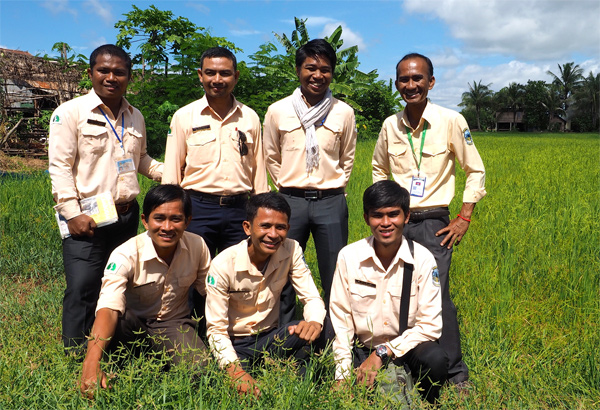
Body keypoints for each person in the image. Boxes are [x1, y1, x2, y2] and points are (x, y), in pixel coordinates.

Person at [372, 53, 486, 386]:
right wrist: (386, 209)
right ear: (397, 85)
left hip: (435, 222)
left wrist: (465, 216)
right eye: (404, 80)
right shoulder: (390, 126)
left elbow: (474, 169)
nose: (411, 85)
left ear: (431, 82)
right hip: (398, 223)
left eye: (418, 78)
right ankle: (408, 361)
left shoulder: (451, 120)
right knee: (399, 293)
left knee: (437, 295)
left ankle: (454, 374)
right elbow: (380, 168)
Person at [48, 44, 163, 353]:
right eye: (104, 70)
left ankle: (109, 344)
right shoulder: (70, 113)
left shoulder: (134, 115)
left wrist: (172, 173)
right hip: (86, 216)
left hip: (126, 215)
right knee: (83, 285)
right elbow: (59, 167)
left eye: (119, 72)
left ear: (129, 77)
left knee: (116, 282)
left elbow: (141, 160)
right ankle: (76, 352)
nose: (111, 77)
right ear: (91, 73)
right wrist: (71, 213)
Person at [79, 184, 211, 398]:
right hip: (130, 324)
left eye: (176, 219)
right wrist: (91, 363)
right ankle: (101, 360)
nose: (167, 227)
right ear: (144, 220)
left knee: (200, 370)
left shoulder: (198, 246)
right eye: (159, 218)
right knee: (113, 326)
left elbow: (213, 294)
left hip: (173, 323)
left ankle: (159, 358)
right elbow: (109, 307)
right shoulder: (126, 253)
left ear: (188, 221)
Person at [263, 39, 357, 324]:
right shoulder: (277, 111)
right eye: (311, 68)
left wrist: (333, 185)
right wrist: (289, 186)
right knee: (284, 270)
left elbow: (347, 158)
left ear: (333, 73)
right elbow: (271, 155)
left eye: (325, 70)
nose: (318, 75)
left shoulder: (344, 112)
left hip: (330, 201)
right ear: (298, 70)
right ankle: (286, 333)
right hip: (289, 201)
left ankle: (335, 335)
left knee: (335, 271)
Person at [330, 180, 448, 404]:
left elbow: (431, 326)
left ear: (407, 216)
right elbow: (341, 318)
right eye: (377, 215)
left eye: (393, 214)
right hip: (362, 347)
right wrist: (342, 375)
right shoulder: (349, 257)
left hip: (406, 348)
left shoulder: (422, 259)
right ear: (366, 218)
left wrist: (383, 352)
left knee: (435, 358)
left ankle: (426, 398)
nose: (385, 223)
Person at [205, 192, 330, 397]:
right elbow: (216, 330)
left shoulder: (291, 249)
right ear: (247, 227)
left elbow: (311, 298)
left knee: (325, 325)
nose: (273, 234)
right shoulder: (223, 265)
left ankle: (300, 385)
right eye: (265, 226)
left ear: (288, 229)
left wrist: (314, 323)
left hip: (273, 338)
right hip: (237, 344)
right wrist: (235, 371)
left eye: (280, 227)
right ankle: (280, 373)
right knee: (219, 382)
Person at [162, 46, 268, 257]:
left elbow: (259, 168)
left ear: (236, 76)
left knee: (239, 275)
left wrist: (262, 211)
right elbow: (172, 169)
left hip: (240, 209)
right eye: (210, 73)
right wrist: (170, 213)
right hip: (197, 209)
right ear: (200, 76)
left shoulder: (250, 117)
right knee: (193, 274)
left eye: (225, 73)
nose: (217, 79)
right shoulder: (184, 116)